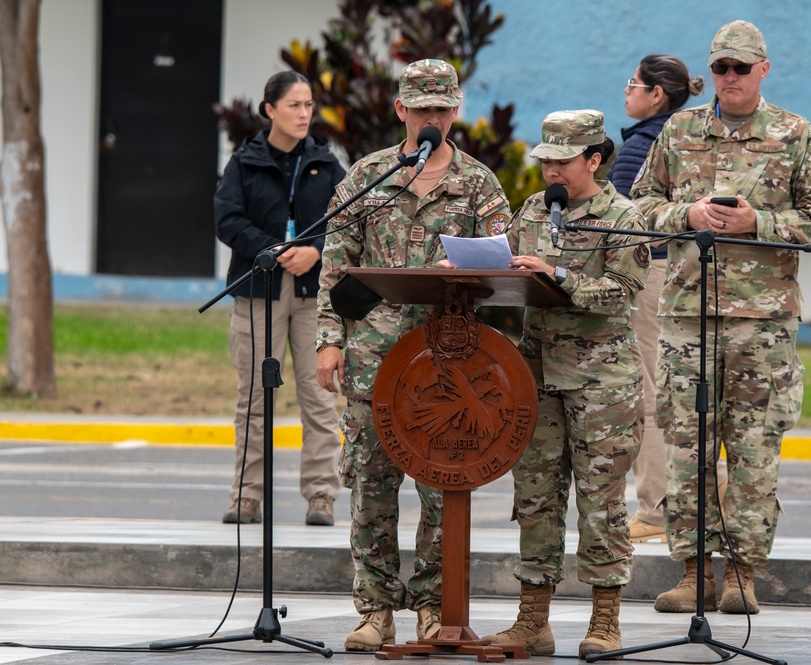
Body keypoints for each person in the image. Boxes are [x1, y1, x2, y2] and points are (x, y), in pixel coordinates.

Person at [631, 20, 811, 615]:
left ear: (763, 70)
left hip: (763, 322)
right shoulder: (679, 130)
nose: (729, 78)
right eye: (720, 68)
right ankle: (693, 572)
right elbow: (639, 208)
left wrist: (760, 224)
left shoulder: (796, 135)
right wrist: (686, 213)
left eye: (740, 68)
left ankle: (741, 574)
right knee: (686, 449)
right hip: (688, 316)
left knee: (752, 452)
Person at [314, 59, 512, 652]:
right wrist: (329, 339)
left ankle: (432, 605)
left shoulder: (479, 184)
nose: (432, 118)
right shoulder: (370, 176)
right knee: (371, 482)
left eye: (441, 109)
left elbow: (505, 260)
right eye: (421, 109)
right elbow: (335, 261)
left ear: (456, 112)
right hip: (374, 357)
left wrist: (472, 269)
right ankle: (375, 609)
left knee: (438, 486)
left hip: (445, 364)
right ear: (401, 111)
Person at [482, 110, 649, 658]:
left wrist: (562, 277)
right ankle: (533, 620)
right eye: (545, 161)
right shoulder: (532, 210)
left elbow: (624, 289)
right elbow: (507, 265)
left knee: (601, 502)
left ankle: (605, 621)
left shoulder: (622, 214)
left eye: (562, 161)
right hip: (537, 376)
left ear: (594, 160)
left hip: (601, 382)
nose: (550, 171)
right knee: (534, 498)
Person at [215, 70, 346, 527]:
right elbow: (226, 219)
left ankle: (321, 496)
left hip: (312, 293)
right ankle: (246, 496)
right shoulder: (245, 162)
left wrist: (315, 250)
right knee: (254, 397)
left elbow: (348, 221)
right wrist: (269, 249)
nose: (304, 114)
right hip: (260, 287)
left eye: (309, 105)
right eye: (294, 105)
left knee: (319, 396)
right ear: (269, 110)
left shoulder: (326, 164)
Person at [605, 54, 708, 545]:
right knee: (678, 388)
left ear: (656, 95)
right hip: (686, 273)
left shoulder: (638, 150)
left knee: (648, 388)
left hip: (650, 274)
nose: (626, 92)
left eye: (633, 84)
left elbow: (620, 227)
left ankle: (654, 507)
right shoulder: (687, 140)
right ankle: (709, 491)